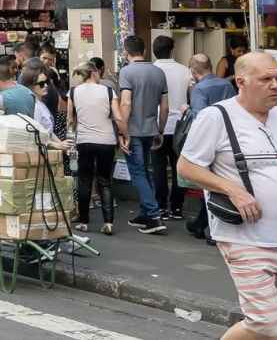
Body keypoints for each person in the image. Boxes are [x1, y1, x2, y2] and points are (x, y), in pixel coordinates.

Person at [178, 53, 277, 340]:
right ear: (241, 82)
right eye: (266, 79)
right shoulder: (216, 117)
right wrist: (232, 189)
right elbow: (186, 167)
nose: (275, 85)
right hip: (244, 239)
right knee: (264, 324)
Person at [116, 35, 170, 235]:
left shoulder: (126, 72)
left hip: (134, 130)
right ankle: (146, 213)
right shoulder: (158, 72)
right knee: (145, 171)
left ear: (126, 52)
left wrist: (123, 131)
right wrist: (161, 129)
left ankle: (154, 215)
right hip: (151, 129)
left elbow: (126, 103)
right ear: (144, 51)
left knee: (138, 172)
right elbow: (164, 107)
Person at [186, 52, 237, 243]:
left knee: (208, 184)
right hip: (229, 138)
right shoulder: (225, 84)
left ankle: (212, 229)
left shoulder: (199, 89)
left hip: (210, 141)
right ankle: (200, 223)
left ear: (193, 71)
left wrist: (186, 110)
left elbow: (199, 118)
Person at [68, 62, 118, 235]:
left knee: (84, 180)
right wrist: (124, 135)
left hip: (84, 140)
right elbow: (117, 116)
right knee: (105, 181)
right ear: (95, 72)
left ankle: (83, 221)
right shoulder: (108, 91)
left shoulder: (73, 92)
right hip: (107, 141)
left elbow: (70, 120)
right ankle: (108, 222)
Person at [151, 34, 192, 221]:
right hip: (180, 126)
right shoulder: (185, 70)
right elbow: (191, 96)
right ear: (172, 49)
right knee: (179, 168)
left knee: (158, 168)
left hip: (158, 124)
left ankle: (160, 207)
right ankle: (177, 207)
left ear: (153, 50)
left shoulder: (152, 71)